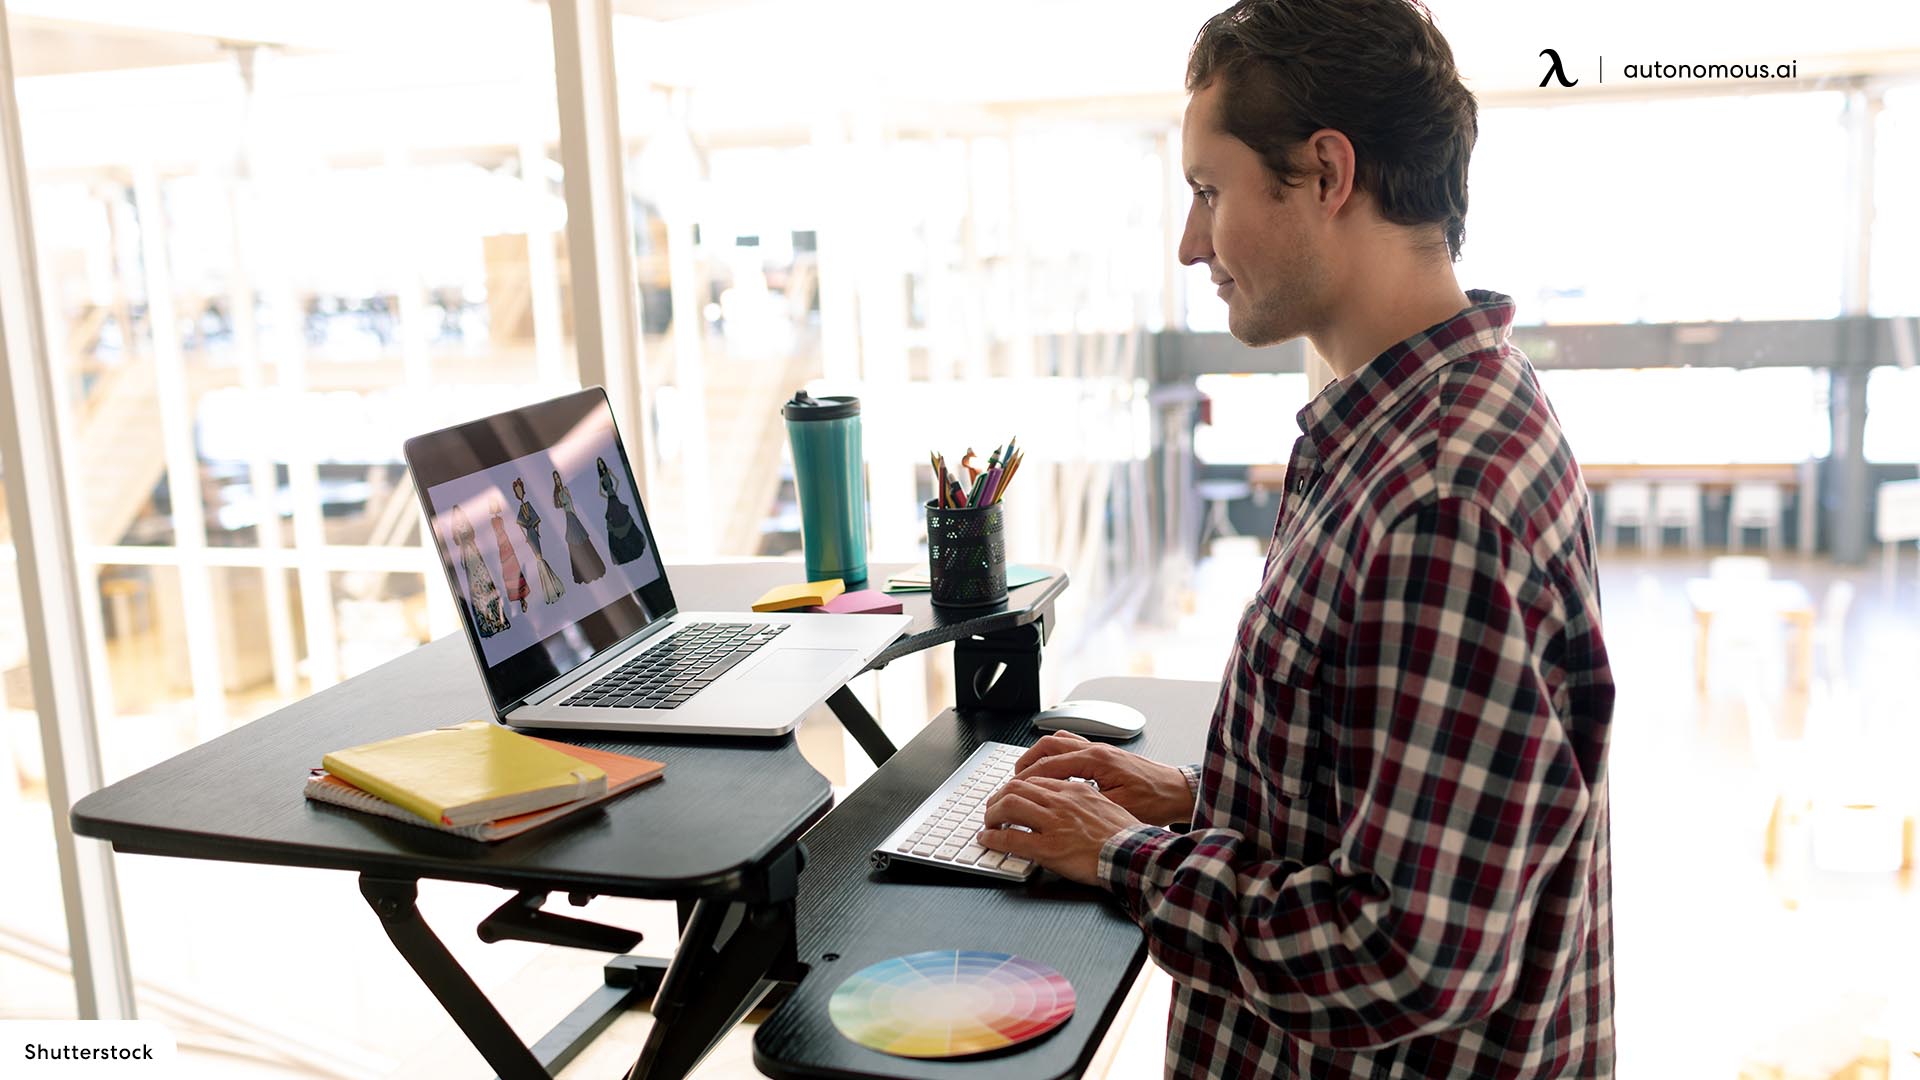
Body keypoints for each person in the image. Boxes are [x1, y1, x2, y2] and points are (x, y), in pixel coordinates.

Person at [978, 2, 1615, 1077]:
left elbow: (1406, 956)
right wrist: (1194, 799)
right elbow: (1388, 788)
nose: (1191, 244)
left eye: (1209, 192)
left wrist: (1124, 858)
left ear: (1325, 173)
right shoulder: (1422, 420)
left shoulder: (1441, 498)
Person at [553, 468, 608, 585]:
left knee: (582, 540)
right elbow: (561, 508)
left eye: (558, 478)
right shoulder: (559, 494)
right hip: (569, 517)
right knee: (574, 541)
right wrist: (569, 515)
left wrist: (575, 515)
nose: (558, 481)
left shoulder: (565, 490)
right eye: (556, 479)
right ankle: (582, 570)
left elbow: (571, 504)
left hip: (573, 516)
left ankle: (592, 567)